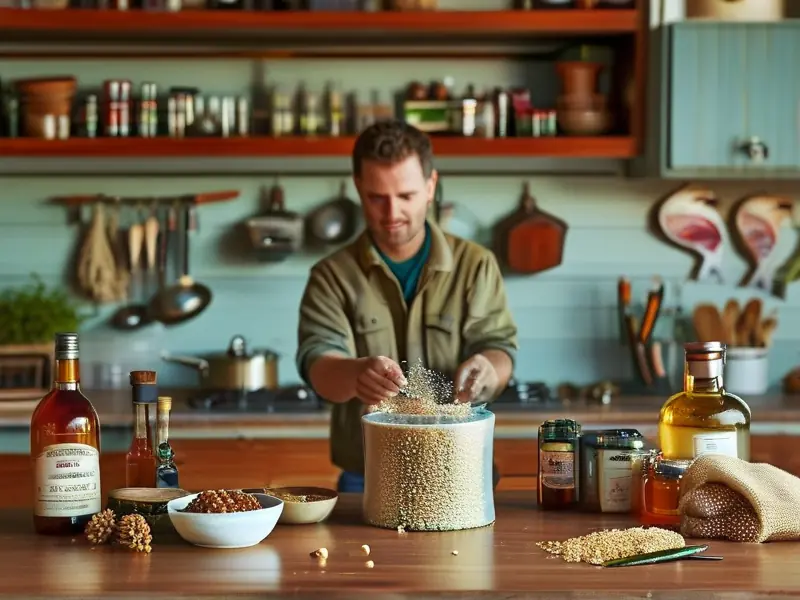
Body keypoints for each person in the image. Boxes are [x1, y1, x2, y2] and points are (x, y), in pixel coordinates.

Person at [296, 120, 518, 493]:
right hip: (367, 475)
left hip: (460, 466)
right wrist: (355, 374)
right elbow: (318, 365)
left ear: (431, 186)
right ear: (358, 188)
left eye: (406, 196)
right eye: (377, 197)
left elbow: (500, 349)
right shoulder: (331, 275)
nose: (391, 212)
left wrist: (487, 369)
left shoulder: (475, 265)